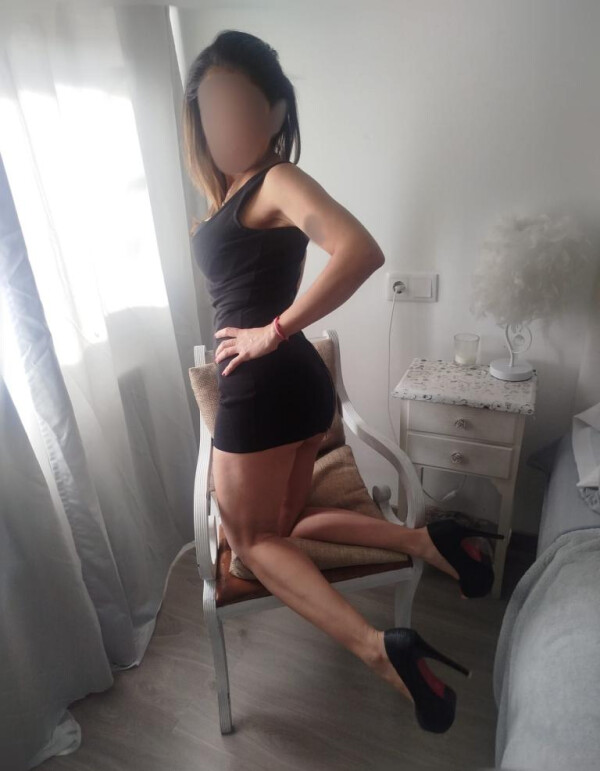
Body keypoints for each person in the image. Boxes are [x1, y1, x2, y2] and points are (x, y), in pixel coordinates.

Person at [182, 30, 502, 734]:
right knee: (288, 527)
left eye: (238, 105)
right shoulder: (234, 189)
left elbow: (360, 250)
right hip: (297, 389)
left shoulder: (273, 179)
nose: (222, 123)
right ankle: (428, 542)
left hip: (263, 391)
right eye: (209, 109)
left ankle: (380, 649)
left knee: (252, 544)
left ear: (274, 111)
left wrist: (273, 330)